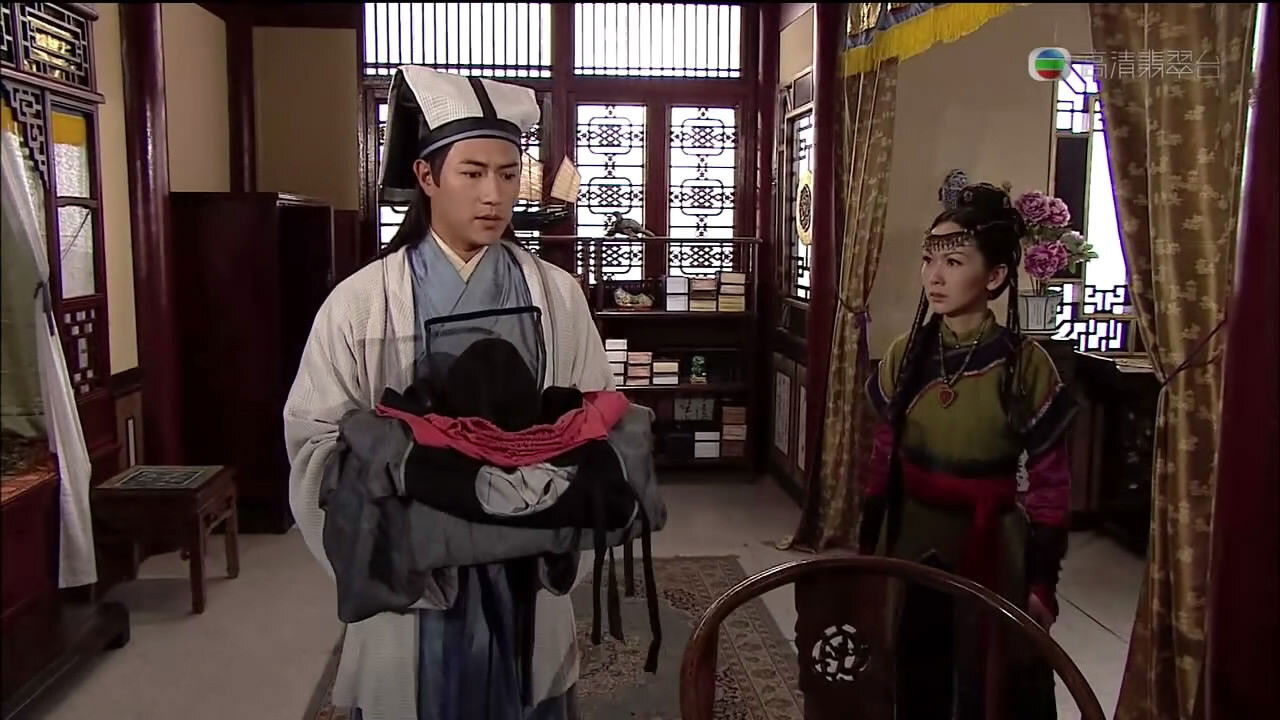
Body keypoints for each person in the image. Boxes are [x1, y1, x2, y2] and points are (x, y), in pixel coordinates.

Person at [284, 66, 612, 720]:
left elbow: (593, 414)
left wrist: (545, 486)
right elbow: (314, 439)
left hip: (526, 546)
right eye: (472, 172)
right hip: (412, 557)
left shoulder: (557, 295)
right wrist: (402, 486)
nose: (494, 194)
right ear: (427, 177)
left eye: (508, 174)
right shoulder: (362, 302)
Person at [859, 182, 1074, 718]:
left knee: (992, 684)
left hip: (991, 541)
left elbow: (1050, 485)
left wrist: (1043, 581)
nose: (934, 277)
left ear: (995, 276)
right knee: (913, 672)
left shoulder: (1025, 365)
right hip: (911, 535)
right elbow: (882, 458)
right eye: (929, 260)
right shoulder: (905, 354)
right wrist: (868, 546)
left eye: (953, 262)